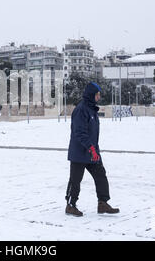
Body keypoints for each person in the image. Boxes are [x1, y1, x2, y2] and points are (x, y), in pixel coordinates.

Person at [65, 82, 120, 217]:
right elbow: (80, 133)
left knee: (101, 175)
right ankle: (70, 205)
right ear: (91, 95)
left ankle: (102, 203)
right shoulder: (81, 110)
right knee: (75, 180)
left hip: (92, 152)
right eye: (97, 94)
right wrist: (91, 148)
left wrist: (95, 150)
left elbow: (92, 134)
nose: (99, 97)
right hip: (79, 152)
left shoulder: (92, 110)